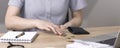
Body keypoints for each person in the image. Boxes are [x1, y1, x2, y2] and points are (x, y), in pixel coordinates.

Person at [5, 0, 86, 36]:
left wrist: (66, 26)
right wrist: (36, 23)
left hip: (59, 38)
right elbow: (9, 21)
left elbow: (78, 17)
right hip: (31, 40)